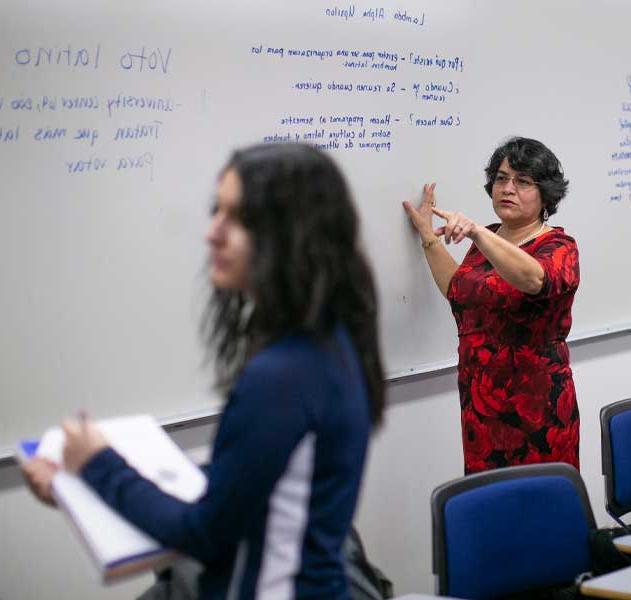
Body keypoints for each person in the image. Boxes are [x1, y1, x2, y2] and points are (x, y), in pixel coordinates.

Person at [22, 143, 386, 600]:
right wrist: (78, 484)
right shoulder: (328, 343)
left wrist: (97, 467)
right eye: (217, 211)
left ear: (292, 233)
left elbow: (204, 534)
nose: (212, 232)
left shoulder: (284, 374)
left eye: (238, 218)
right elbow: (239, 498)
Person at [403, 137, 580, 474]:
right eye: (501, 178)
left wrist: (477, 235)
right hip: (481, 403)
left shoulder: (558, 245)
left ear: (546, 193)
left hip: (536, 406)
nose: (507, 188)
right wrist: (427, 235)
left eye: (523, 181)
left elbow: (533, 280)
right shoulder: (489, 236)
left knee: (540, 507)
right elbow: (459, 290)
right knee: (489, 504)